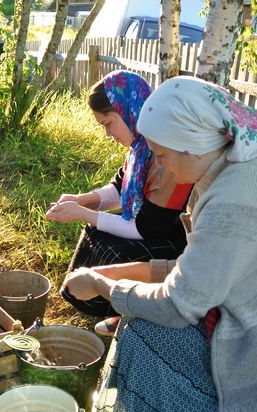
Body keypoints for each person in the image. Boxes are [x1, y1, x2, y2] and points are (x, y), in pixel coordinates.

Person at [64, 76, 257, 412]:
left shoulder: (238, 195)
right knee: (137, 322)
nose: (157, 164)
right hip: (245, 306)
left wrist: (105, 286)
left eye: (161, 154)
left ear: (192, 143)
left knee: (141, 336)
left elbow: (179, 304)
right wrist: (117, 275)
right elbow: (198, 268)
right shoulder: (235, 157)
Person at [46, 70, 193, 335]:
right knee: (95, 231)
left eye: (108, 123)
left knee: (116, 248)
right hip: (152, 228)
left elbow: (145, 229)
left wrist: (82, 212)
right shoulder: (140, 149)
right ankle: (112, 305)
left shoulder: (166, 156)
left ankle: (129, 310)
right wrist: (82, 201)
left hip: (175, 245)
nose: (107, 134)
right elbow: (118, 187)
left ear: (128, 111)